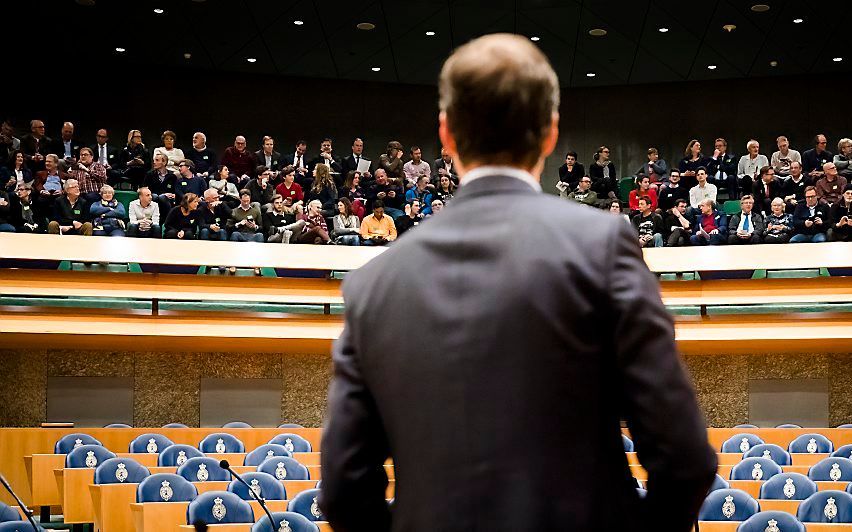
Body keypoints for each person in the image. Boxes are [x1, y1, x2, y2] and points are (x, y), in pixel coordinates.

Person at [320, 33, 716, 532]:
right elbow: (684, 459)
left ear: (445, 134)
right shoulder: (603, 246)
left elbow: (342, 487)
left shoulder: (373, 283)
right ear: (551, 133)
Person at [142, 153, 177, 218]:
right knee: (157, 196)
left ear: (164, 162)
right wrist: (162, 194)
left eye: (157, 160)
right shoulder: (149, 175)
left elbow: (175, 191)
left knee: (163, 198)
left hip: (167, 200)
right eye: (154, 160)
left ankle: (169, 219)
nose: (154, 162)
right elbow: (144, 189)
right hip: (153, 198)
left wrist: (173, 195)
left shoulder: (172, 176)